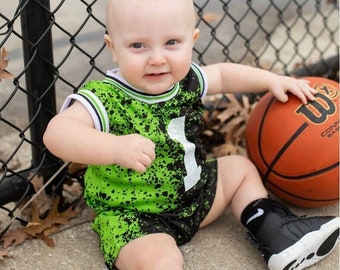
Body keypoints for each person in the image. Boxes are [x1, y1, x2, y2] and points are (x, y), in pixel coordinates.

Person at [43, 0, 339, 269]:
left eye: (171, 42)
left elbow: (223, 74)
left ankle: (276, 231)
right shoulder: (105, 97)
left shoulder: (186, 79)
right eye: (138, 46)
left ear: (192, 41)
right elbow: (57, 133)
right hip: (135, 216)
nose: (157, 58)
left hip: (196, 196)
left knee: (238, 168)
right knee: (162, 261)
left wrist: (273, 80)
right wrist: (114, 147)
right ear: (113, 47)